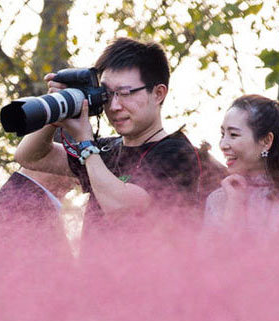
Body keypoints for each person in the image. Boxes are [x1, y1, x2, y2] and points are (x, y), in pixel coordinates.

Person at [13, 37, 203, 241]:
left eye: (124, 93)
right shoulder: (105, 150)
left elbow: (121, 209)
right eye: (107, 94)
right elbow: (30, 157)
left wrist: (86, 143)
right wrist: (55, 111)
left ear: (158, 94)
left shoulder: (175, 152)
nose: (114, 106)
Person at [203, 95, 279, 240]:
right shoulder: (219, 199)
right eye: (223, 134)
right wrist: (233, 207)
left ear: (266, 141)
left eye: (233, 135)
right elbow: (204, 260)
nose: (223, 144)